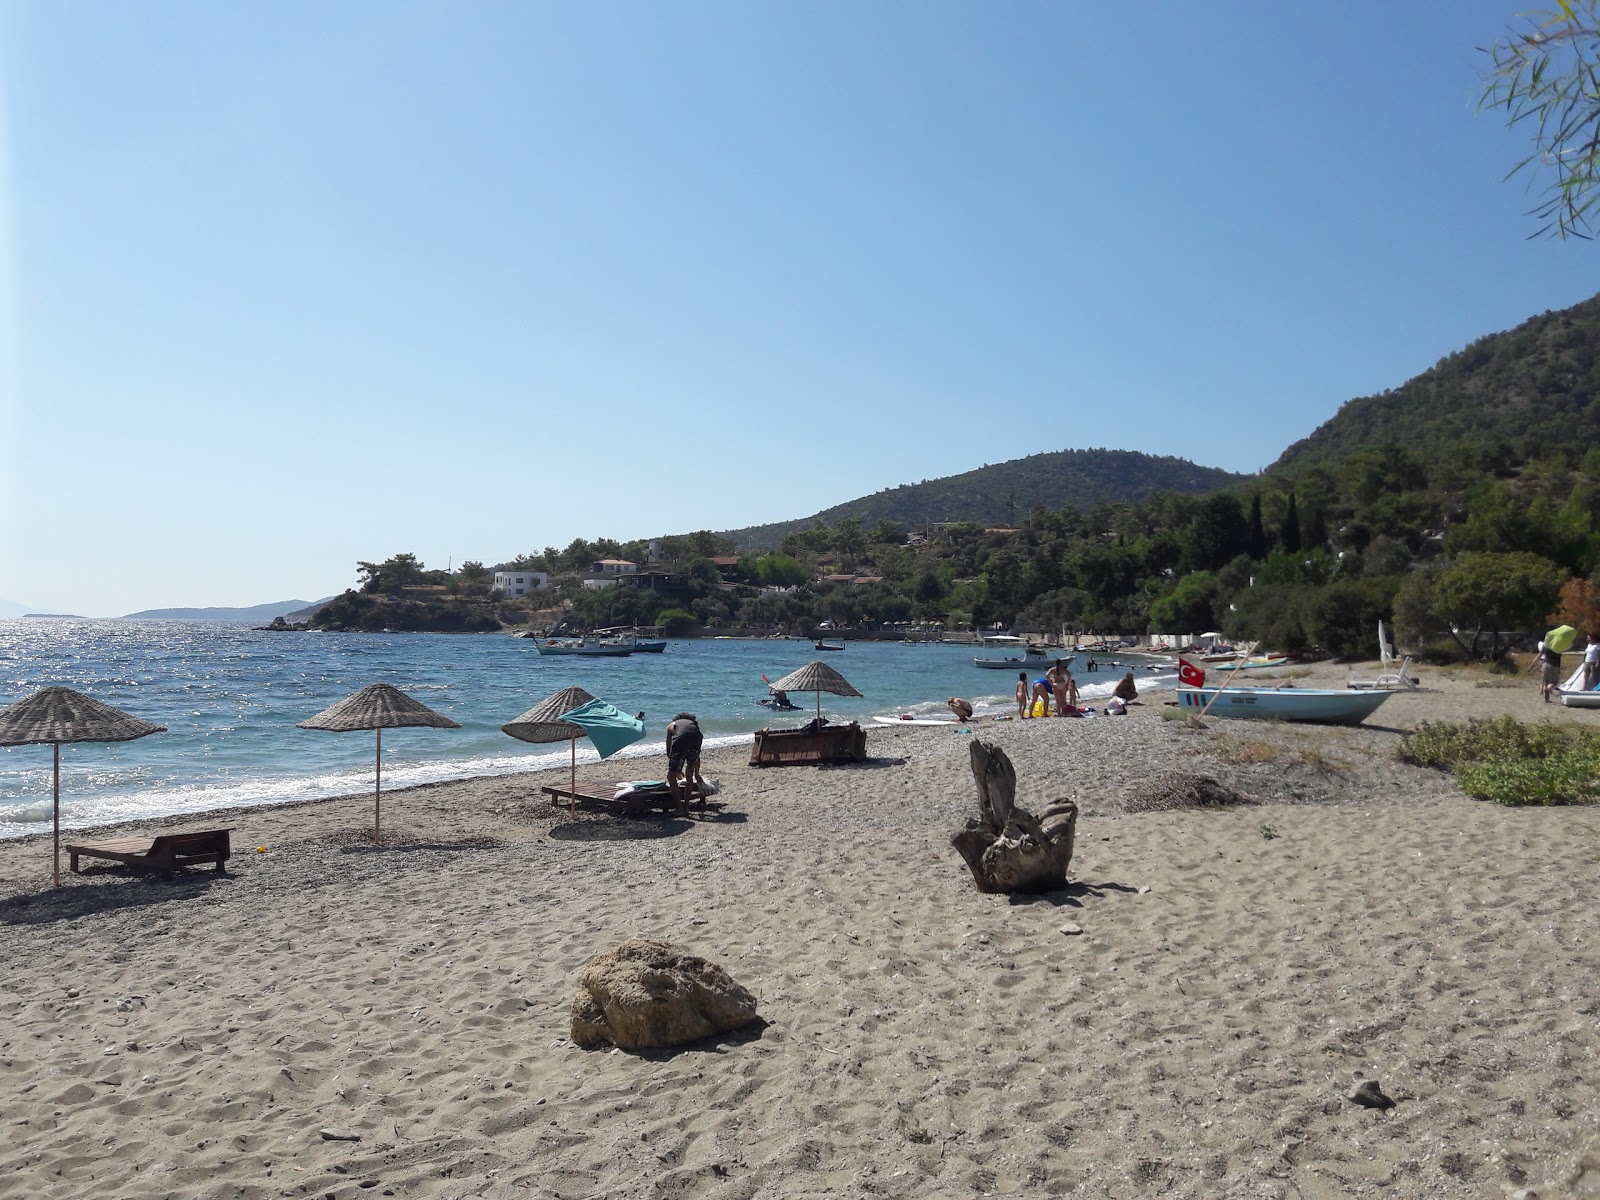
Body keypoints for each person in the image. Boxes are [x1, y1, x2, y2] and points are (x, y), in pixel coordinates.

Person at [665, 712, 704, 812]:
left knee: (671, 777)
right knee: (689, 775)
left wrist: (675, 770)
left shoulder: (672, 725)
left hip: (681, 741)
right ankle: (686, 806)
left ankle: (679, 808)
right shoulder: (693, 726)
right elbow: (697, 756)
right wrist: (697, 774)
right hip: (697, 737)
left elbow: (669, 751)